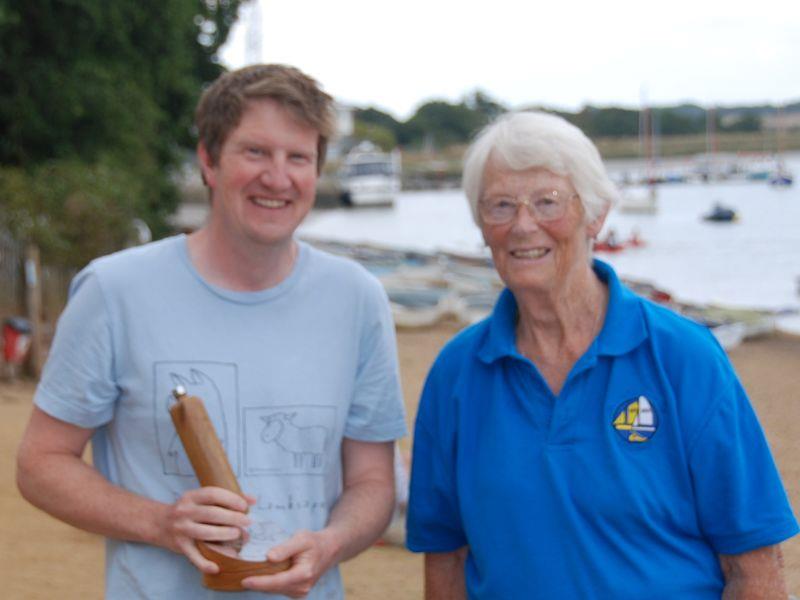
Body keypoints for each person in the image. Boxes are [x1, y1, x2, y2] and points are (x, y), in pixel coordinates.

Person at [16, 64, 407, 599]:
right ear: (208, 160)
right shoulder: (114, 292)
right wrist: (161, 523)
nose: (277, 177)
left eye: (298, 157)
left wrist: (332, 542)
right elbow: (40, 464)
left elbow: (373, 483)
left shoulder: (357, 298)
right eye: (255, 152)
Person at [405, 111, 798, 598]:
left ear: (597, 214)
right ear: (482, 227)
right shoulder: (456, 374)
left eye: (547, 202)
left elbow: (755, 565)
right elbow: (447, 558)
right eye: (500, 205)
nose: (524, 226)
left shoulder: (684, 358)